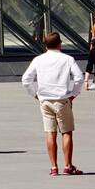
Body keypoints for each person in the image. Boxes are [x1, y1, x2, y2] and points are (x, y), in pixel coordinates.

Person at [22, 31, 84, 174]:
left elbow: (26, 79)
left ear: (45, 45)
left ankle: (53, 166)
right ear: (60, 44)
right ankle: (68, 165)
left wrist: (36, 94)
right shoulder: (68, 59)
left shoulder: (38, 60)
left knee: (50, 133)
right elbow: (79, 78)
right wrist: (73, 94)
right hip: (62, 100)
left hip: (45, 100)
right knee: (67, 132)